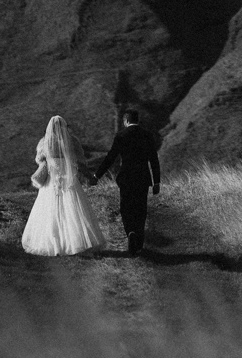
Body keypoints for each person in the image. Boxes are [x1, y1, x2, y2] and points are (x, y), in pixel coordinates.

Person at [87, 107, 162, 255]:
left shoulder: (121, 136)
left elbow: (110, 158)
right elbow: (154, 160)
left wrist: (97, 176)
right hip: (142, 178)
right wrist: (156, 182)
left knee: (126, 208)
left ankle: (130, 232)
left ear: (126, 121)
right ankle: (139, 242)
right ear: (137, 120)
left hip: (126, 178)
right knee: (141, 209)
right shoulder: (147, 135)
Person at [20, 115, 98, 256]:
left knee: (50, 212)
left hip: (51, 183)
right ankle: (75, 243)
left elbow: (39, 160)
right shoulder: (72, 142)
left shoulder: (45, 142)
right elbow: (81, 163)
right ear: (64, 126)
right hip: (69, 182)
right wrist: (90, 177)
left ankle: (54, 245)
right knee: (74, 212)